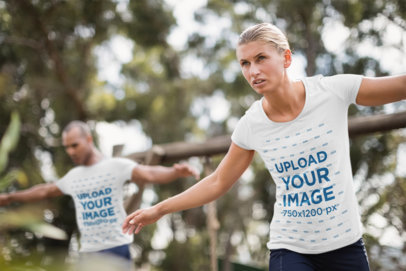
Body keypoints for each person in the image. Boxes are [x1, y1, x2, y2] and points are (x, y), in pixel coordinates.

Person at [122, 23, 406, 271]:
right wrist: (158, 209)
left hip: (345, 243)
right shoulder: (252, 124)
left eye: (260, 58)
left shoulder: (332, 91)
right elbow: (218, 181)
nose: (253, 71)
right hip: (291, 248)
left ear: (285, 57)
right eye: (245, 63)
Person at [0, 120, 199, 267]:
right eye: (67, 147)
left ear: (88, 139)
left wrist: (174, 172)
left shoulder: (115, 166)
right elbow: (44, 191)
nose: (70, 151)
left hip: (116, 250)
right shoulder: (74, 176)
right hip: (87, 253)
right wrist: (9, 198)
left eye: (74, 145)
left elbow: (149, 173)